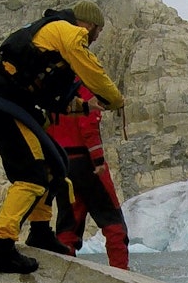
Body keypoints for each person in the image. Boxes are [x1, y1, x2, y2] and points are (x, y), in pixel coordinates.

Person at [0, 1, 125, 274]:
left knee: (55, 163)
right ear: (89, 24)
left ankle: (40, 232)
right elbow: (93, 72)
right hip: (2, 103)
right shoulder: (68, 31)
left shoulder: (51, 41)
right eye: (97, 30)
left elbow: (55, 100)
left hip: (10, 103)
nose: (95, 37)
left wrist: (87, 106)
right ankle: (2, 247)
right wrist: (113, 99)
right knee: (31, 175)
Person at [47, 80, 130, 270]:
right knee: (112, 221)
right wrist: (98, 160)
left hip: (62, 163)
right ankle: (121, 273)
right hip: (87, 162)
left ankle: (63, 271)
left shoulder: (51, 89)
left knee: (69, 223)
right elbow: (88, 124)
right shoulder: (82, 86)